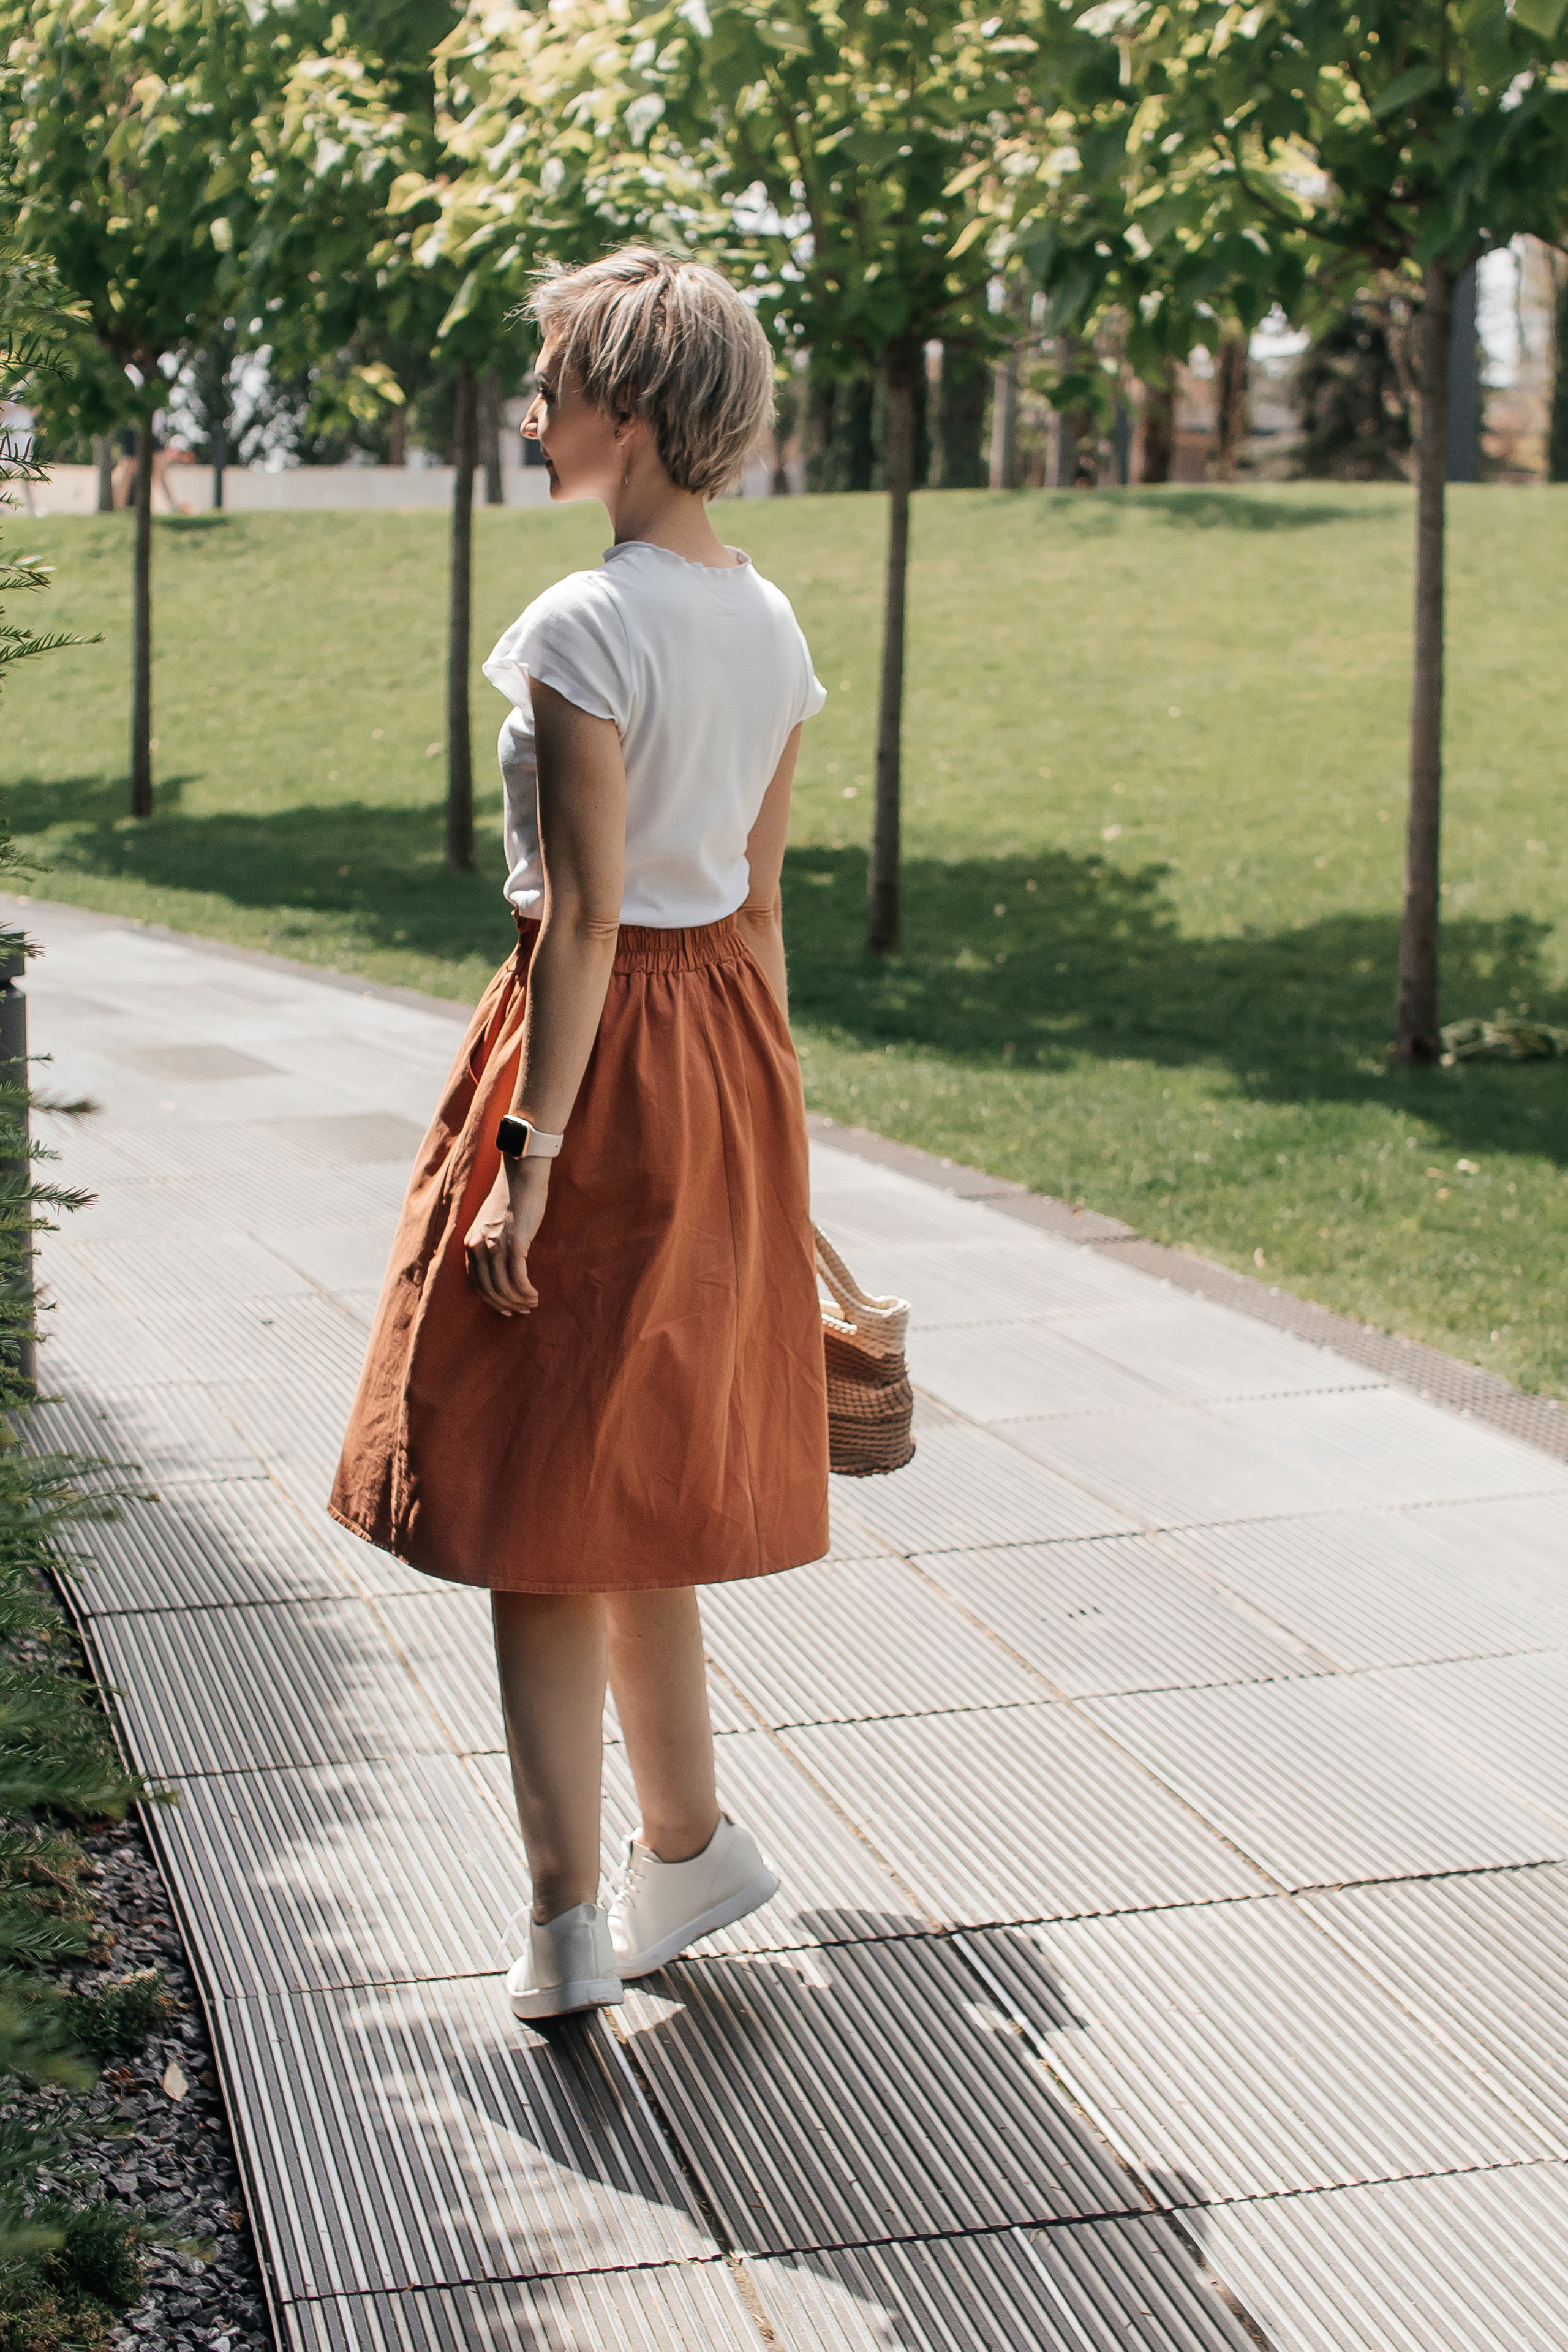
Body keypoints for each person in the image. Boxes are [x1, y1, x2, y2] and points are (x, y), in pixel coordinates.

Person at [330, 249, 831, 2020]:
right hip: (723, 1056)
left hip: (589, 1056)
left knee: (526, 1481)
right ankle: (686, 1843)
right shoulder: (766, 619)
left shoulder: (580, 624)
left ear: (627, 404)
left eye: (550, 383)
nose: (532, 412)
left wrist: (527, 1159)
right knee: (628, 1476)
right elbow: (757, 908)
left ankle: (562, 1916)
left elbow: (589, 925)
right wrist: (776, 1138)